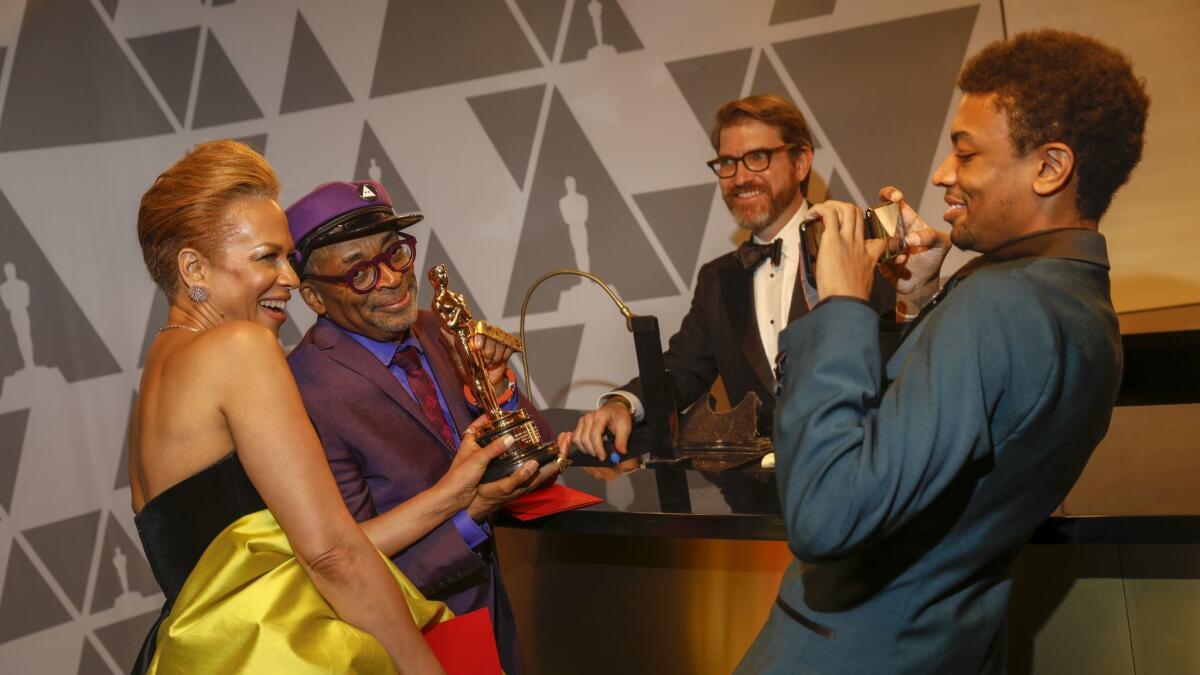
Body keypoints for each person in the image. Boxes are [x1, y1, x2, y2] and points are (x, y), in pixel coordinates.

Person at [736, 30, 1149, 673]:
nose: (943, 175)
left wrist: (844, 304)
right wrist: (922, 297)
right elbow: (940, 457)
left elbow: (827, 515)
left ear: (1049, 167)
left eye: (965, 153)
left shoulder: (1000, 305)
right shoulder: (1082, 306)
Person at [128, 140, 517, 674]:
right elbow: (331, 555)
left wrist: (450, 494)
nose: (290, 278)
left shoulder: (161, 370)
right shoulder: (241, 349)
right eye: (268, 257)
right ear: (194, 269)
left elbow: (287, 555)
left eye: (288, 257)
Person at [286, 180, 565, 675]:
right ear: (313, 296)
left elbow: (538, 450)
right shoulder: (304, 393)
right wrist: (473, 511)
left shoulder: (435, 327)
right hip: (421, 639)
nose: (392, 279)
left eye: (396, 253)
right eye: (359, 272)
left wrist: (497, 391)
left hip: (516, 608)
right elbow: (349, 573)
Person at [573, 94, 895, 458]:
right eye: (727, 162)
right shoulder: (717, 279)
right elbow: (681, 370)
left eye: (757, 157)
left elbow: (901, 365)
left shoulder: (861, 245)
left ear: (801, 162)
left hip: (862, 472)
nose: (740, 178)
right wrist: (622, 404)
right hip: (758, 500)